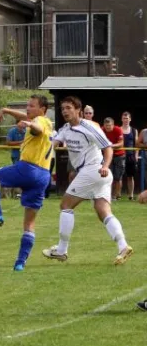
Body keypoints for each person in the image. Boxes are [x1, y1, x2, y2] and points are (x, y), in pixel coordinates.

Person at [42, 96, 133, 266]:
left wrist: (105, 166)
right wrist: (43, 149)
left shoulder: (89, 127)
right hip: (95, 174)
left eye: (69, 108)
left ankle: (61, 250)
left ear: (79, 110)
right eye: (62, 109)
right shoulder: (66, 128)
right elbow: (53, 143)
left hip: (94, 170)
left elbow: (107, 148)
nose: (65, 111)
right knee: (103, 211)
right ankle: (123, 246)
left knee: (65, 205)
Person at [0, 95, 53, 272]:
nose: (28, 108)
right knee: (29, 223)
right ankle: (20, 263)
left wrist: (29, 124)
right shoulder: (48, 122)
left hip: (28, 168)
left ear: (42, 109)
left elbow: (37, 129)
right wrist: (6, 110)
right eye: (27, 105)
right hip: (43, 175)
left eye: (32, 106)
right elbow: (29, 120)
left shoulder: (40, 121)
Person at [102, 117, 125, 200]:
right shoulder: (101, 130)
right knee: (108, 177)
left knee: (117, 177)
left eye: (109, 125)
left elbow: (121, 143)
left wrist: (110, 145)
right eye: (106, 126)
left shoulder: (118, 130)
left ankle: (116, 196)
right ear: (104, 125)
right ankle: (109, 195)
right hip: (107, 156)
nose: (108, 127)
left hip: (119, 155)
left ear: (113, 125)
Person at [121, 112, 139, 200]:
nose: (125, 120)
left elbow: (137, 144)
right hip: (120, 155)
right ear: (122, 119)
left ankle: (131, 195)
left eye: (127, 118)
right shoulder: (118, 129)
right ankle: (116, 195)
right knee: (118, 177)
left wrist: (136, 155)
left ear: (130, 119)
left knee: (130, 176)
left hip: (131, 156)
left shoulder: (134, 130)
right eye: (124, 118)